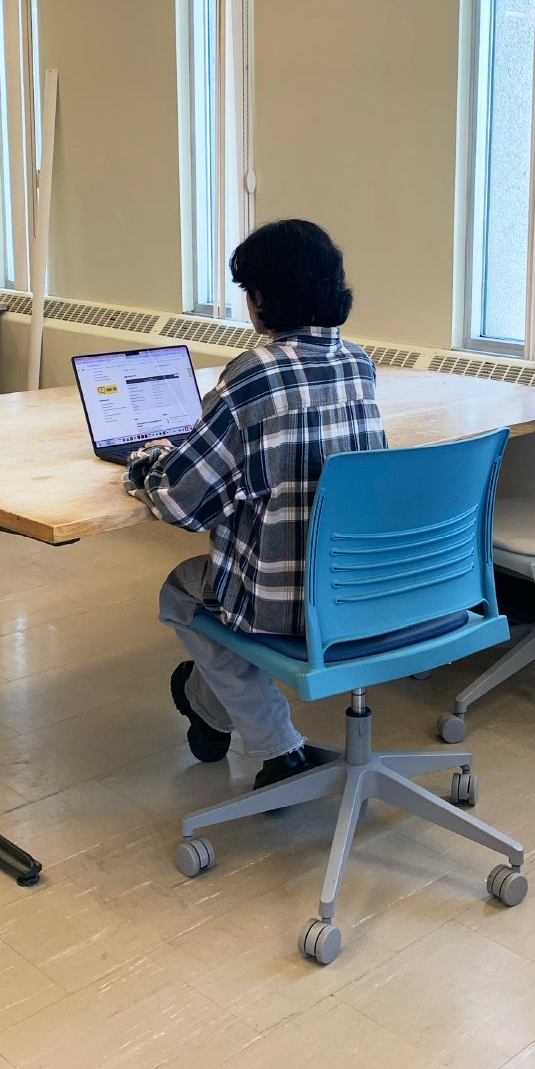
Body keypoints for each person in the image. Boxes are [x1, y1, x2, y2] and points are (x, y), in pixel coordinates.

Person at [123, 219, 387, 788]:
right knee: (224, 586)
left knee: (183, 592)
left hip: (288, 604)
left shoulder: (253, 372)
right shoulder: (360, 364)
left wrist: (147, 460)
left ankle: (277, 748)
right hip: (362, 585)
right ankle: (205, 706)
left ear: (263, 296)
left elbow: (180, 503)